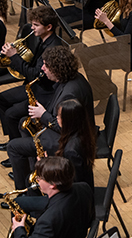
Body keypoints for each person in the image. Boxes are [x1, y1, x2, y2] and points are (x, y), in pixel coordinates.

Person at [7, 45, 95, 190]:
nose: (42, 69)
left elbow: (65, 128)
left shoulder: (69, 94)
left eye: (46, 66)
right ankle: (34, 175)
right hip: (69, 133)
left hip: (67, 140)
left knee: (13, 147)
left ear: (57, 69)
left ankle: (23, 190)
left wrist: (43, 115)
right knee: (24, 123)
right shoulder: (72, 78)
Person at [0, 156, 94, 238]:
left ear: (52, 184)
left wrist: (19, 229)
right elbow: (90, 219)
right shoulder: (83, 188)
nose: (37, 180)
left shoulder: (49, 220)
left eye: (39, 178)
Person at [0, 6, 62, 143]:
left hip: (45, 93)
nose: (32, 28)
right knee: (1, 99)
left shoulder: (52, 48)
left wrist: (14, 57)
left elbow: (35, 74)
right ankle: (13, 138)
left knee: (11, 114)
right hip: (34, 86)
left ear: (49, 27)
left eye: (36, 25)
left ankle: (17, 146)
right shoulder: (42, 39)